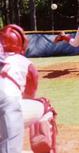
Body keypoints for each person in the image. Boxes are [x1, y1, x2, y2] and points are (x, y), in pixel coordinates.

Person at [0, 24, 57, 153]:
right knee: (45, 106)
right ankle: (42, 146)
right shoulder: (24, 63)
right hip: (8, 107)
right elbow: (28, 97)